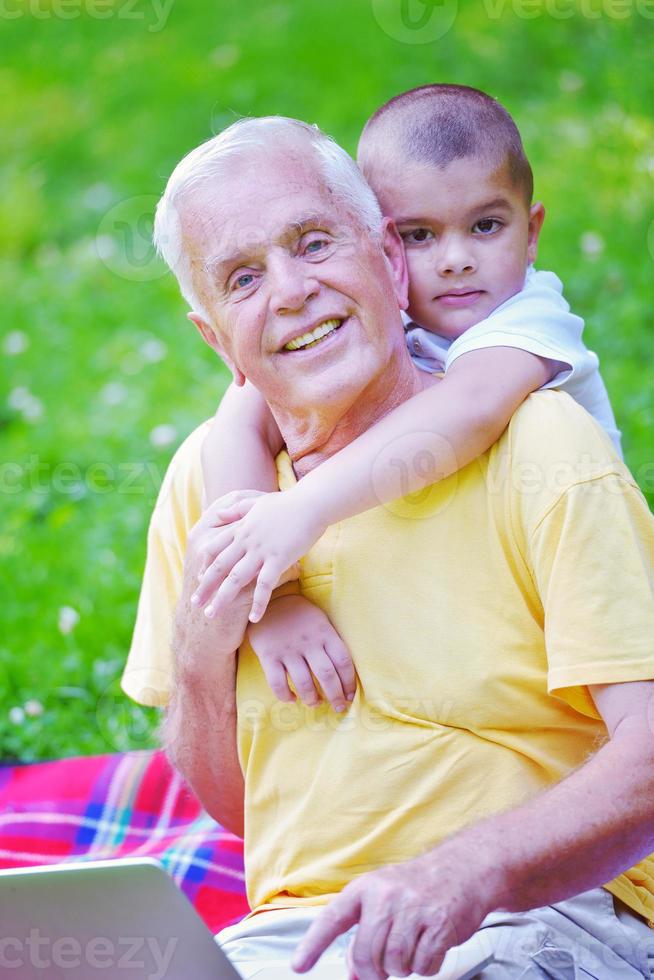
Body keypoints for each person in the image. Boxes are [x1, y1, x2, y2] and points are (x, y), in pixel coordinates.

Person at [122, 115, 654, 979]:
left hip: (539, 915)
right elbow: (238, 810)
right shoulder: (208, 486)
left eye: (314, 242)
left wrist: (463, 875)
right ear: (217, 338)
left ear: (387, 257)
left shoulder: (537, 440)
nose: (291, 291)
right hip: (303, 939)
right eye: (244, 277)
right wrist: (204, 644)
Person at [189, 86, 623, 714]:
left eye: (486, 226)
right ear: (382, 246)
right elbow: (237, 422)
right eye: (420, 235)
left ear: (531, 235)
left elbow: (469, 409)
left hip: (571, 578)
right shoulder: (380, 321)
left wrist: (302, 510)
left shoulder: (530, 318)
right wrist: (273, 594)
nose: (455, 261)